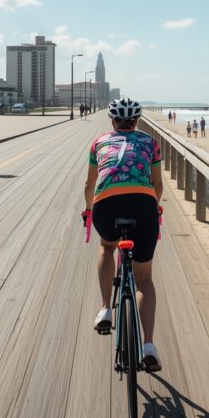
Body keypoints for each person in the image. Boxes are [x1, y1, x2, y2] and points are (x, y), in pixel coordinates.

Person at [83, 97, 164, 372]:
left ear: (113, 121)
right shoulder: (151, 143)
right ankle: (149, 346)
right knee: (143, 278)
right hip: (144, 205)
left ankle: (105, 308)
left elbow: (89, 184)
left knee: (107, 247)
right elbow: (158, 185)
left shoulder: (98, 143)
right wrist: (154, 207)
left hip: (106, 203)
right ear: (137, 121)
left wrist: (87, 210)